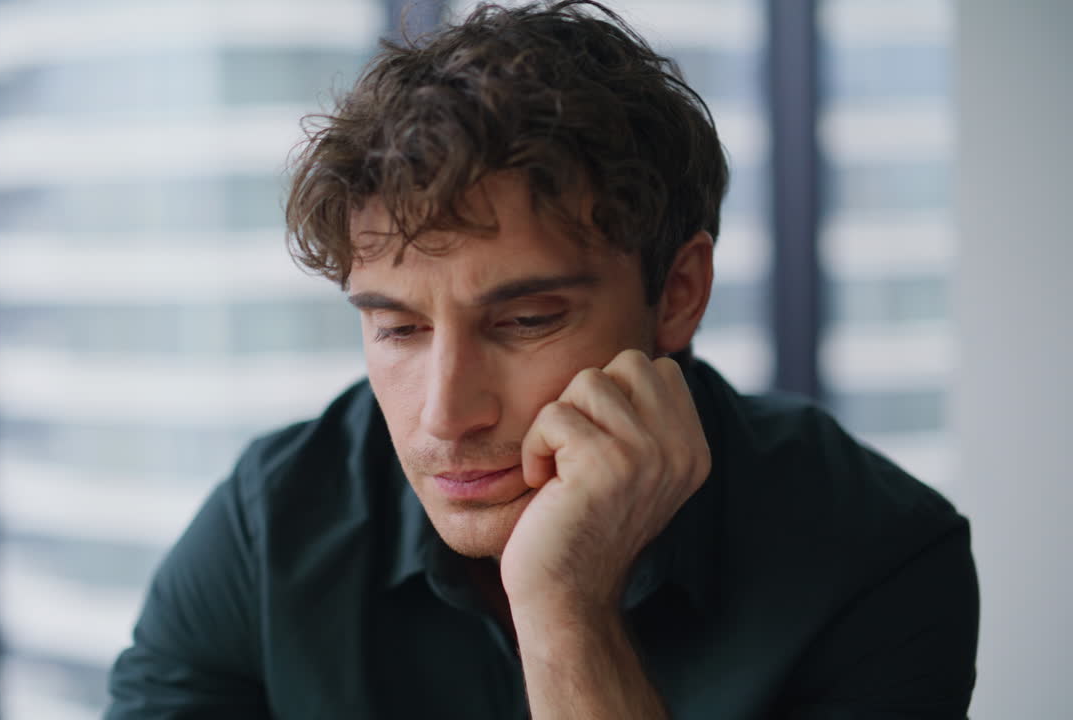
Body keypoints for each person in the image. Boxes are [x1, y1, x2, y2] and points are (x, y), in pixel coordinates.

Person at [106, 2, 979, 717]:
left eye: (524, 320)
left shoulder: (880, 557)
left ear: (678, 292)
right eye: (398, 328)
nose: (446, 414)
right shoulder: (272, 525)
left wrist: (566, 613)